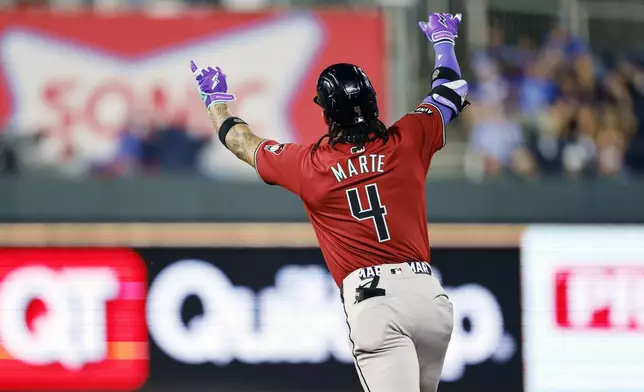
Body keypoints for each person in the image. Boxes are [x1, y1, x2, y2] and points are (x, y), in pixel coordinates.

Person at [190, 12, 468, 392]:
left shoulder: (310, 166)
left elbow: (241, 142)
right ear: (372, 103)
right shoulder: (409, 140)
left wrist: (217, 101)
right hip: (427, 296)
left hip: (375, 302)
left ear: (325, 113)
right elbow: (451, 89)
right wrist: (443, 41)